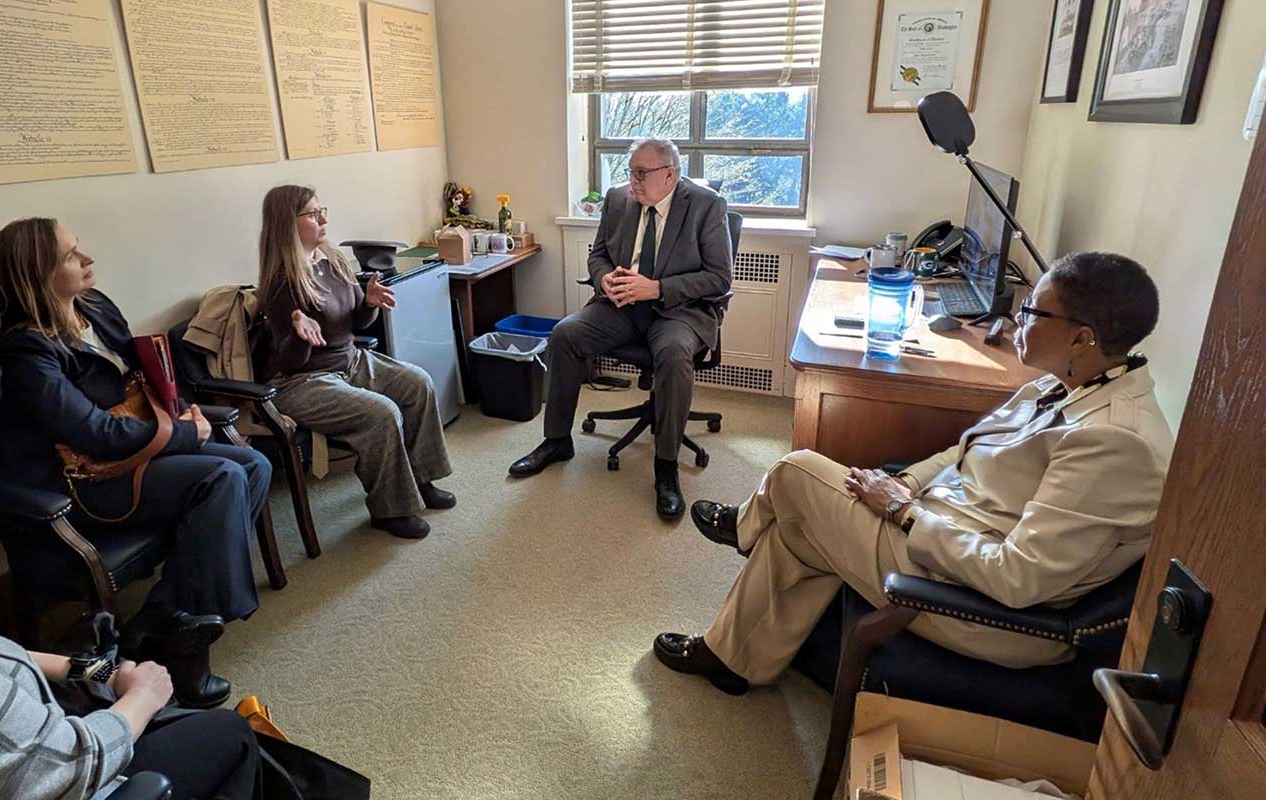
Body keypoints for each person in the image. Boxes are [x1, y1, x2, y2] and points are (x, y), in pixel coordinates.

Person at [653, 252, 1173, 694]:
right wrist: (906, 485)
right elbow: (965, 453)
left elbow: (1017, 579)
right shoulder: (1064, 383)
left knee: (796, 472)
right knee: (798, 527)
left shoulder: (1116, 442)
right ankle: (732, 660)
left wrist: (902, 512)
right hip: (942, 532)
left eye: (1034, 310)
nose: (1017, 318)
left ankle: (745, 527)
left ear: (1081, 339)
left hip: (978, 605)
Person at [0, 218, 272, 709]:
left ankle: (164, 616)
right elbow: (92, 432)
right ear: (38, 273)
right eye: (71, 256)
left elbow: (143, 375)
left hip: (135, 450)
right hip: (87, 481)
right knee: (222, 476)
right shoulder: (25, 350)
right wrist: (183, 434)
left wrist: (180, 410)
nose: (88, 259)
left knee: (254, 466)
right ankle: (185, 645)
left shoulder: (94, 307)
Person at [509, 138, 733, 520]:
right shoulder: (618, 199)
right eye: (631, 172)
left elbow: (719, 277)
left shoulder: (706, 205)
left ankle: (666, 467)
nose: (633, 182)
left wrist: (657, 288)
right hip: (622, 306)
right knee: (564, 334)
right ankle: (557, 440)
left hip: (678, 311)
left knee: (674, 353)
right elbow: (598, 255)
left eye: (641, 174)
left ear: (670, 175)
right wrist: (604, 280)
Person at [257, 185, 454, 540]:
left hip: (351, 361)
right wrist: (299, 333)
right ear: (287, 223)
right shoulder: (281, 282)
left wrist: (369, 303)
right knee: (382, 414)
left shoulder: (331, 261)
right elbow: (290, 361)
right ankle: (390, 510)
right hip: (302, 381)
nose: (323, 219)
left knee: (418, 383)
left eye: (322, 211)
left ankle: (422, 478)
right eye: (313, 214)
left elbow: (356, 323)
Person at [0, 626, 260, 799]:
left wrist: (102, 672)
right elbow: (65, 766)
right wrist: (143, 696)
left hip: (36, 749)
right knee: (231, 733)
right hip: (70, 774)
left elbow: (8, 655)